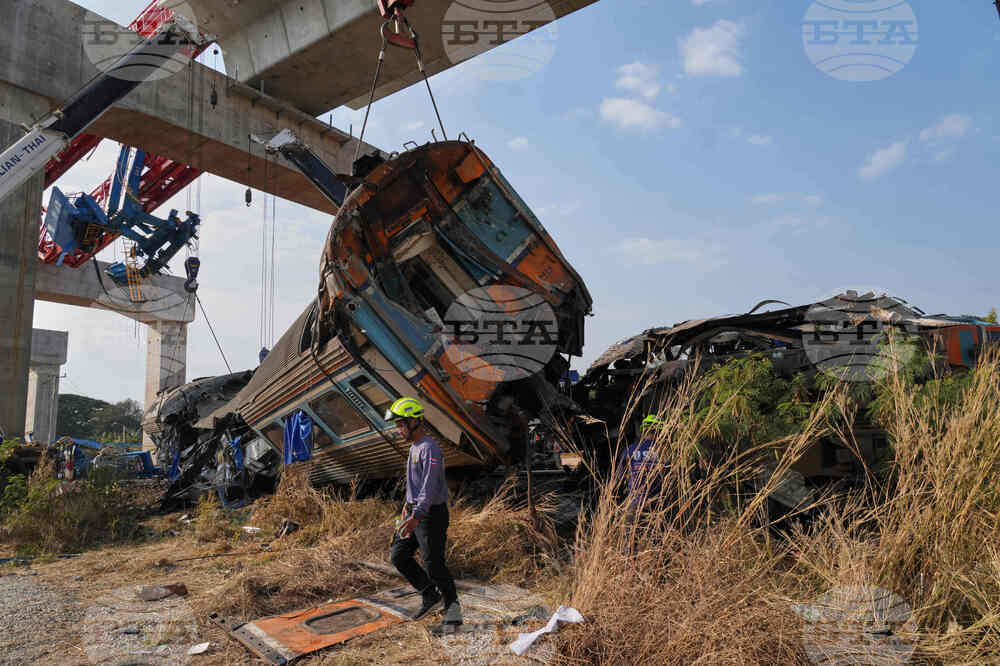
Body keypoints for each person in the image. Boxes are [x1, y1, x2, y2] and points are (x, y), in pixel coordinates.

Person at [386, 397, 462, 625]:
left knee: (434, 565)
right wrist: (406, 508)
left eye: (401, 424)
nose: (398, 430)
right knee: (398, 556)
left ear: (414, 422)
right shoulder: (414, 448)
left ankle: (453, 614)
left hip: (430, 515)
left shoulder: (430, 449)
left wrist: (416, 516)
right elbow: (415, 485)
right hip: (413, 512)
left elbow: (428, 488)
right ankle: (430, 595)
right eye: (397, 425)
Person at [617, 414, 668, 508]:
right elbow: (670, 478)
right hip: (657, 505)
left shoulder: (630, 449)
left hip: (634, 503)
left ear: (643, 430)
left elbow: (619, 477)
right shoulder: (664, 451)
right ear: (660, 431)